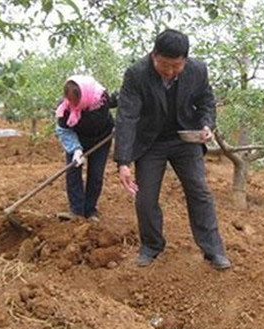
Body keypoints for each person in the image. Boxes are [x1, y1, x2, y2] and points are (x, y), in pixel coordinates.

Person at [114, 29, 231, 270]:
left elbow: (207, 102)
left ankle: (213, 250)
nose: (169, 72)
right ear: (154, 55)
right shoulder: (136, 74)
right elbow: (127, 117)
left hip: (185, 139)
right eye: (164, 65)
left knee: (199, 191)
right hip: (150, 142)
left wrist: (207, 124)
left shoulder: (198, 70)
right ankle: (151, 246)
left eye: (176, 66)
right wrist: (123, 161)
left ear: (185, 60)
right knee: (145, 198)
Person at [55, 75, 116, 222]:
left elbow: (125, 102)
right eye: (70, 100)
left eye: (76, 101)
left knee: (95, 175)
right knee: (73, 173)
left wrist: (121, 124)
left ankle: (90, 210)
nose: (73, 104)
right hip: (77, 139)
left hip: (102, 139)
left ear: (84, 95)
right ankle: (76, 210)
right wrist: (76, 149)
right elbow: (63, 130)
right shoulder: (65, 108)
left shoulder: (102, 98)